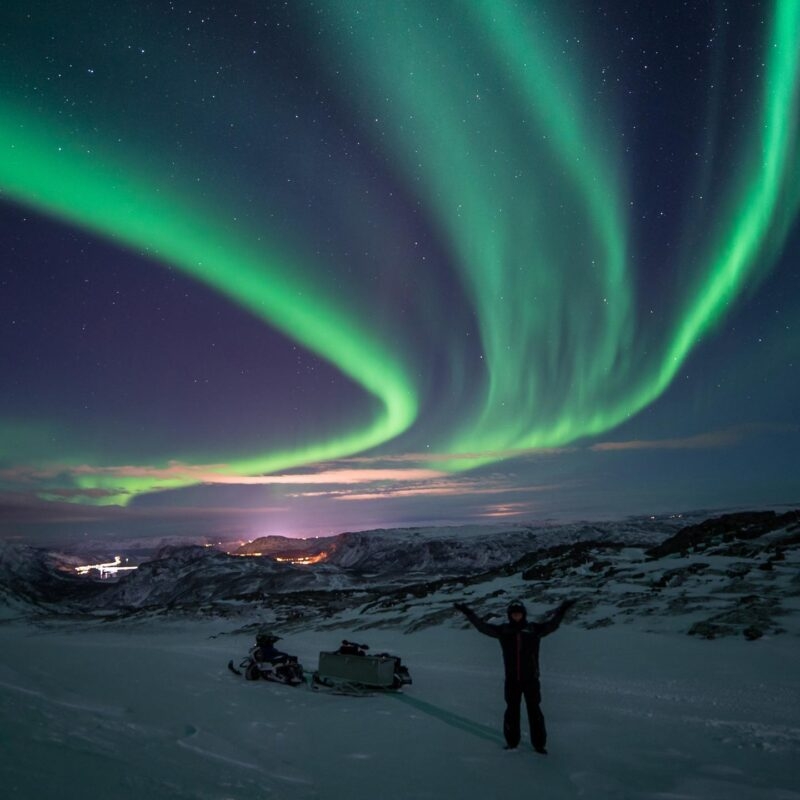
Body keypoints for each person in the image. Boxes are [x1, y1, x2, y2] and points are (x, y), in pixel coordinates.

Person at [455, 597, 576, 754]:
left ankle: (539, 745)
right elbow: (482, 627)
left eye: (519, 613)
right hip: (512, 680)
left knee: (535, 712)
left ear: (523, 614)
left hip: (531, 679)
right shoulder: (504, 631)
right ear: (509, 615)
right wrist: (468, 612)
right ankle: (512, 743)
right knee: (512, 711)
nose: (516, 616)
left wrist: (562, 610)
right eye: (514, 614)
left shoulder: (533, 629)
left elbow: (552, 625)